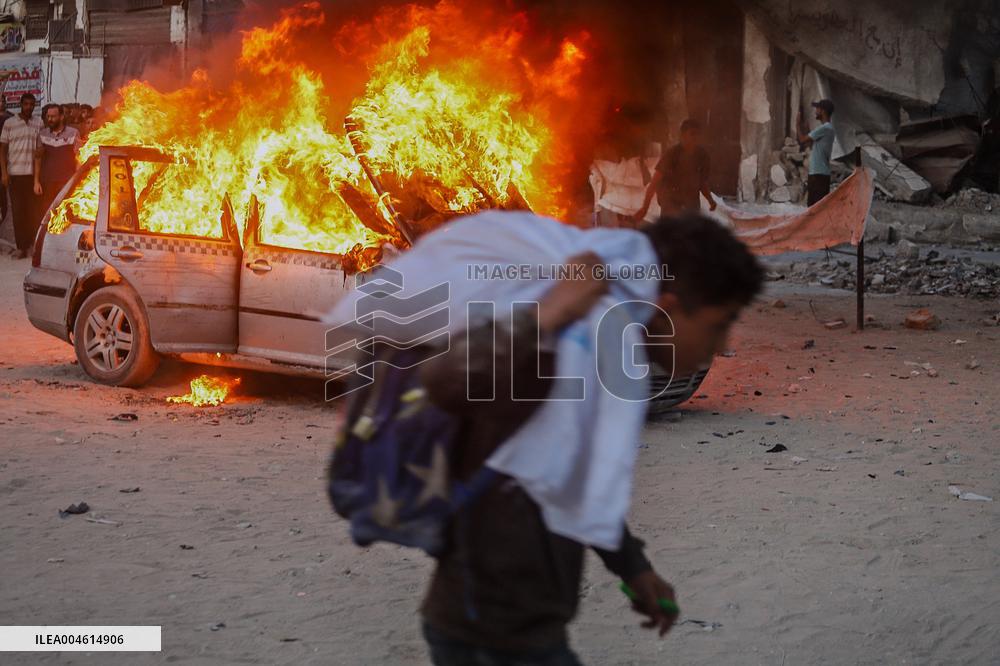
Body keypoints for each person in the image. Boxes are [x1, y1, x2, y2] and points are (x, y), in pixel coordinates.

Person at [413, 214, 763, 665]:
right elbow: (440, 382)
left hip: (522, 625)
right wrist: (548, 315)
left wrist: (632, 567)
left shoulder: (597, 362)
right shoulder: (553, 350)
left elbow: (572, 480)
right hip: (491, 632)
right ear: (669, 308)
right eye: (718, 324)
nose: (723, 344)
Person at [634, 119, 717, 223]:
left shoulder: (703, 156)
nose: (695, 138)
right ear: (683, 135)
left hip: (692, 204)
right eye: (692, 134)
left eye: (697, 134)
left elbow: (702, 182)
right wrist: (644, 208)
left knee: (691, 235)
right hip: (671, 202)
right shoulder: (672, 154)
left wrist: (710, 200)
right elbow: (654, 183)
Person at [0, 93, 42, 258]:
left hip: (32, 175)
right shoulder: (9, 123)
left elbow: (40, 150)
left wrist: (38, 178)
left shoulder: (39, 123)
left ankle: (32, 245)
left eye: (32, 104)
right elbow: (2, 150)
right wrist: (4, 173)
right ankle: (20, 247)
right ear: (20, 104)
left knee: (33, 211)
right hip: (15, 175)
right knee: (18, 212)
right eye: (26, 104)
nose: (29, 107)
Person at [34, 104, 80, 215]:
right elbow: (38, 159)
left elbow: (79, 158)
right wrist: (36, 182)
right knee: (47, 215)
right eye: (48, 116)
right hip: (47, 183)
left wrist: (77, 181)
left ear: (61, 117)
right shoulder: (42, 134)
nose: (50, 119)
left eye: (53, 116)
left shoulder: (73, 133)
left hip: (66, 183)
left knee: (65, 215)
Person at [797, 99, 836, 206]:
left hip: (819, 175)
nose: (815, 111)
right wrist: (807, 130)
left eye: (817, 109)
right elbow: (810, 145)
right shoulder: (828, 129)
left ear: (823, 111)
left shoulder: (824, 128)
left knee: (814, 211)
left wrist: (797, 124)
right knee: (816, 209)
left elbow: (802, 139)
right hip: (818, 174)